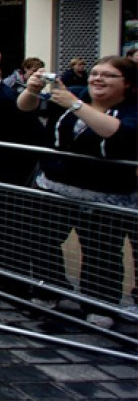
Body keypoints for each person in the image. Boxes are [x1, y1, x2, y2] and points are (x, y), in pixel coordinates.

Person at [17, 56, 138, 328]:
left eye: (108, 75)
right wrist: (32, 89)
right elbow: (26, 107)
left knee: (102, 251)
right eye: (95, 73)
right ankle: (50, 290)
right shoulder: (78, 94)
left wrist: (75, 104)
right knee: (41, 240)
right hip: (56, 188)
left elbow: (119, 134)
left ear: (128, 83)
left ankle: (99, 304)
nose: (97, 79)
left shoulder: (130, 110)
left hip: (106, 195)